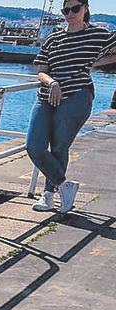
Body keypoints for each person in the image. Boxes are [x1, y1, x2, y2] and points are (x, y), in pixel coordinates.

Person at [28, 0, 116, 213]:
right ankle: (64, 185)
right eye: (65, 10)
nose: (70, 13)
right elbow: (41, 70)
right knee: (34, 146)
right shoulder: (53, 38)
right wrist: (52, 83)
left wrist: (93, 63)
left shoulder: (98, 34)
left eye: (75, 8)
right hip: (47, 96)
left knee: (59, 146)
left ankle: (48, 196)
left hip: (77, 95)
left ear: (85, 8)